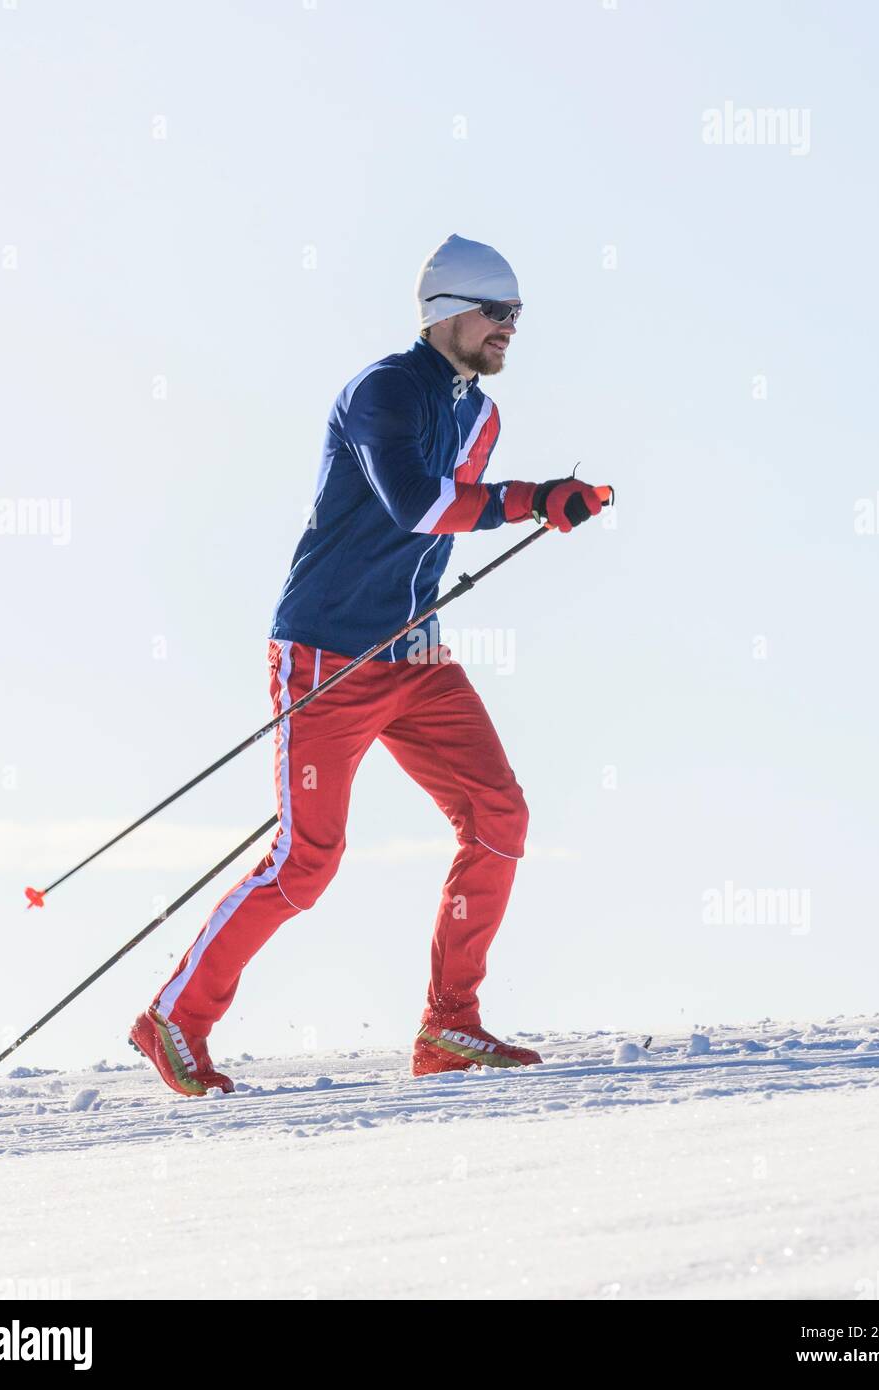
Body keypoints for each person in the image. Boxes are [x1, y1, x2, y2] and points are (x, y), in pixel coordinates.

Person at [129, 233, 606, 1095]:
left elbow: (442, 527)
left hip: (414, 652)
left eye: (519, 317)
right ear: (448, 313)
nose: (510, 330)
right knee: (308, 860)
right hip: (325, 652)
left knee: (500, 817)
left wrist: (532, 505)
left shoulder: (482, 414)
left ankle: (449, 1026)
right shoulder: (382, 390)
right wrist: (534, 500)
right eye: (498, 315)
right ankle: (176, 1018)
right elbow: (421, 505)